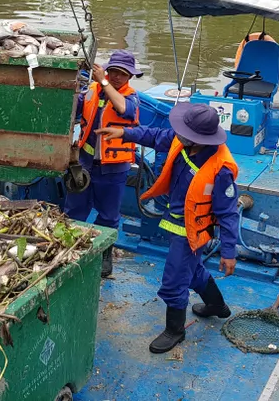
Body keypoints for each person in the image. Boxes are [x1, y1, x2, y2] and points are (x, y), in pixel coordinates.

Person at [96, 103, 239, 354]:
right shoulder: (181, 141)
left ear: (199, 139)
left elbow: (228, 213)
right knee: (192, 272)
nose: (177, 135)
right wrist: (124, 133)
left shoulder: (221, 169)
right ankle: (217, 305)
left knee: (174, 280)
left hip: (192, 233)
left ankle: (175, 330)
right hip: (175, 220)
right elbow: (153, 136)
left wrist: (229, 252)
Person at [65, 50, 142, 278]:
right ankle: (68, 250)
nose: (117, 77)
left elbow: (123, 109)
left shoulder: (131, 97)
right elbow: (71, 108)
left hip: (114, 169)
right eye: (113, 72)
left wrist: (104, 82)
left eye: (122, 74)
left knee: (108, 216)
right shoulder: (91, 91)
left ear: (130, 77)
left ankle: (104, 256)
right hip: (85, 163)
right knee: (74, 210)